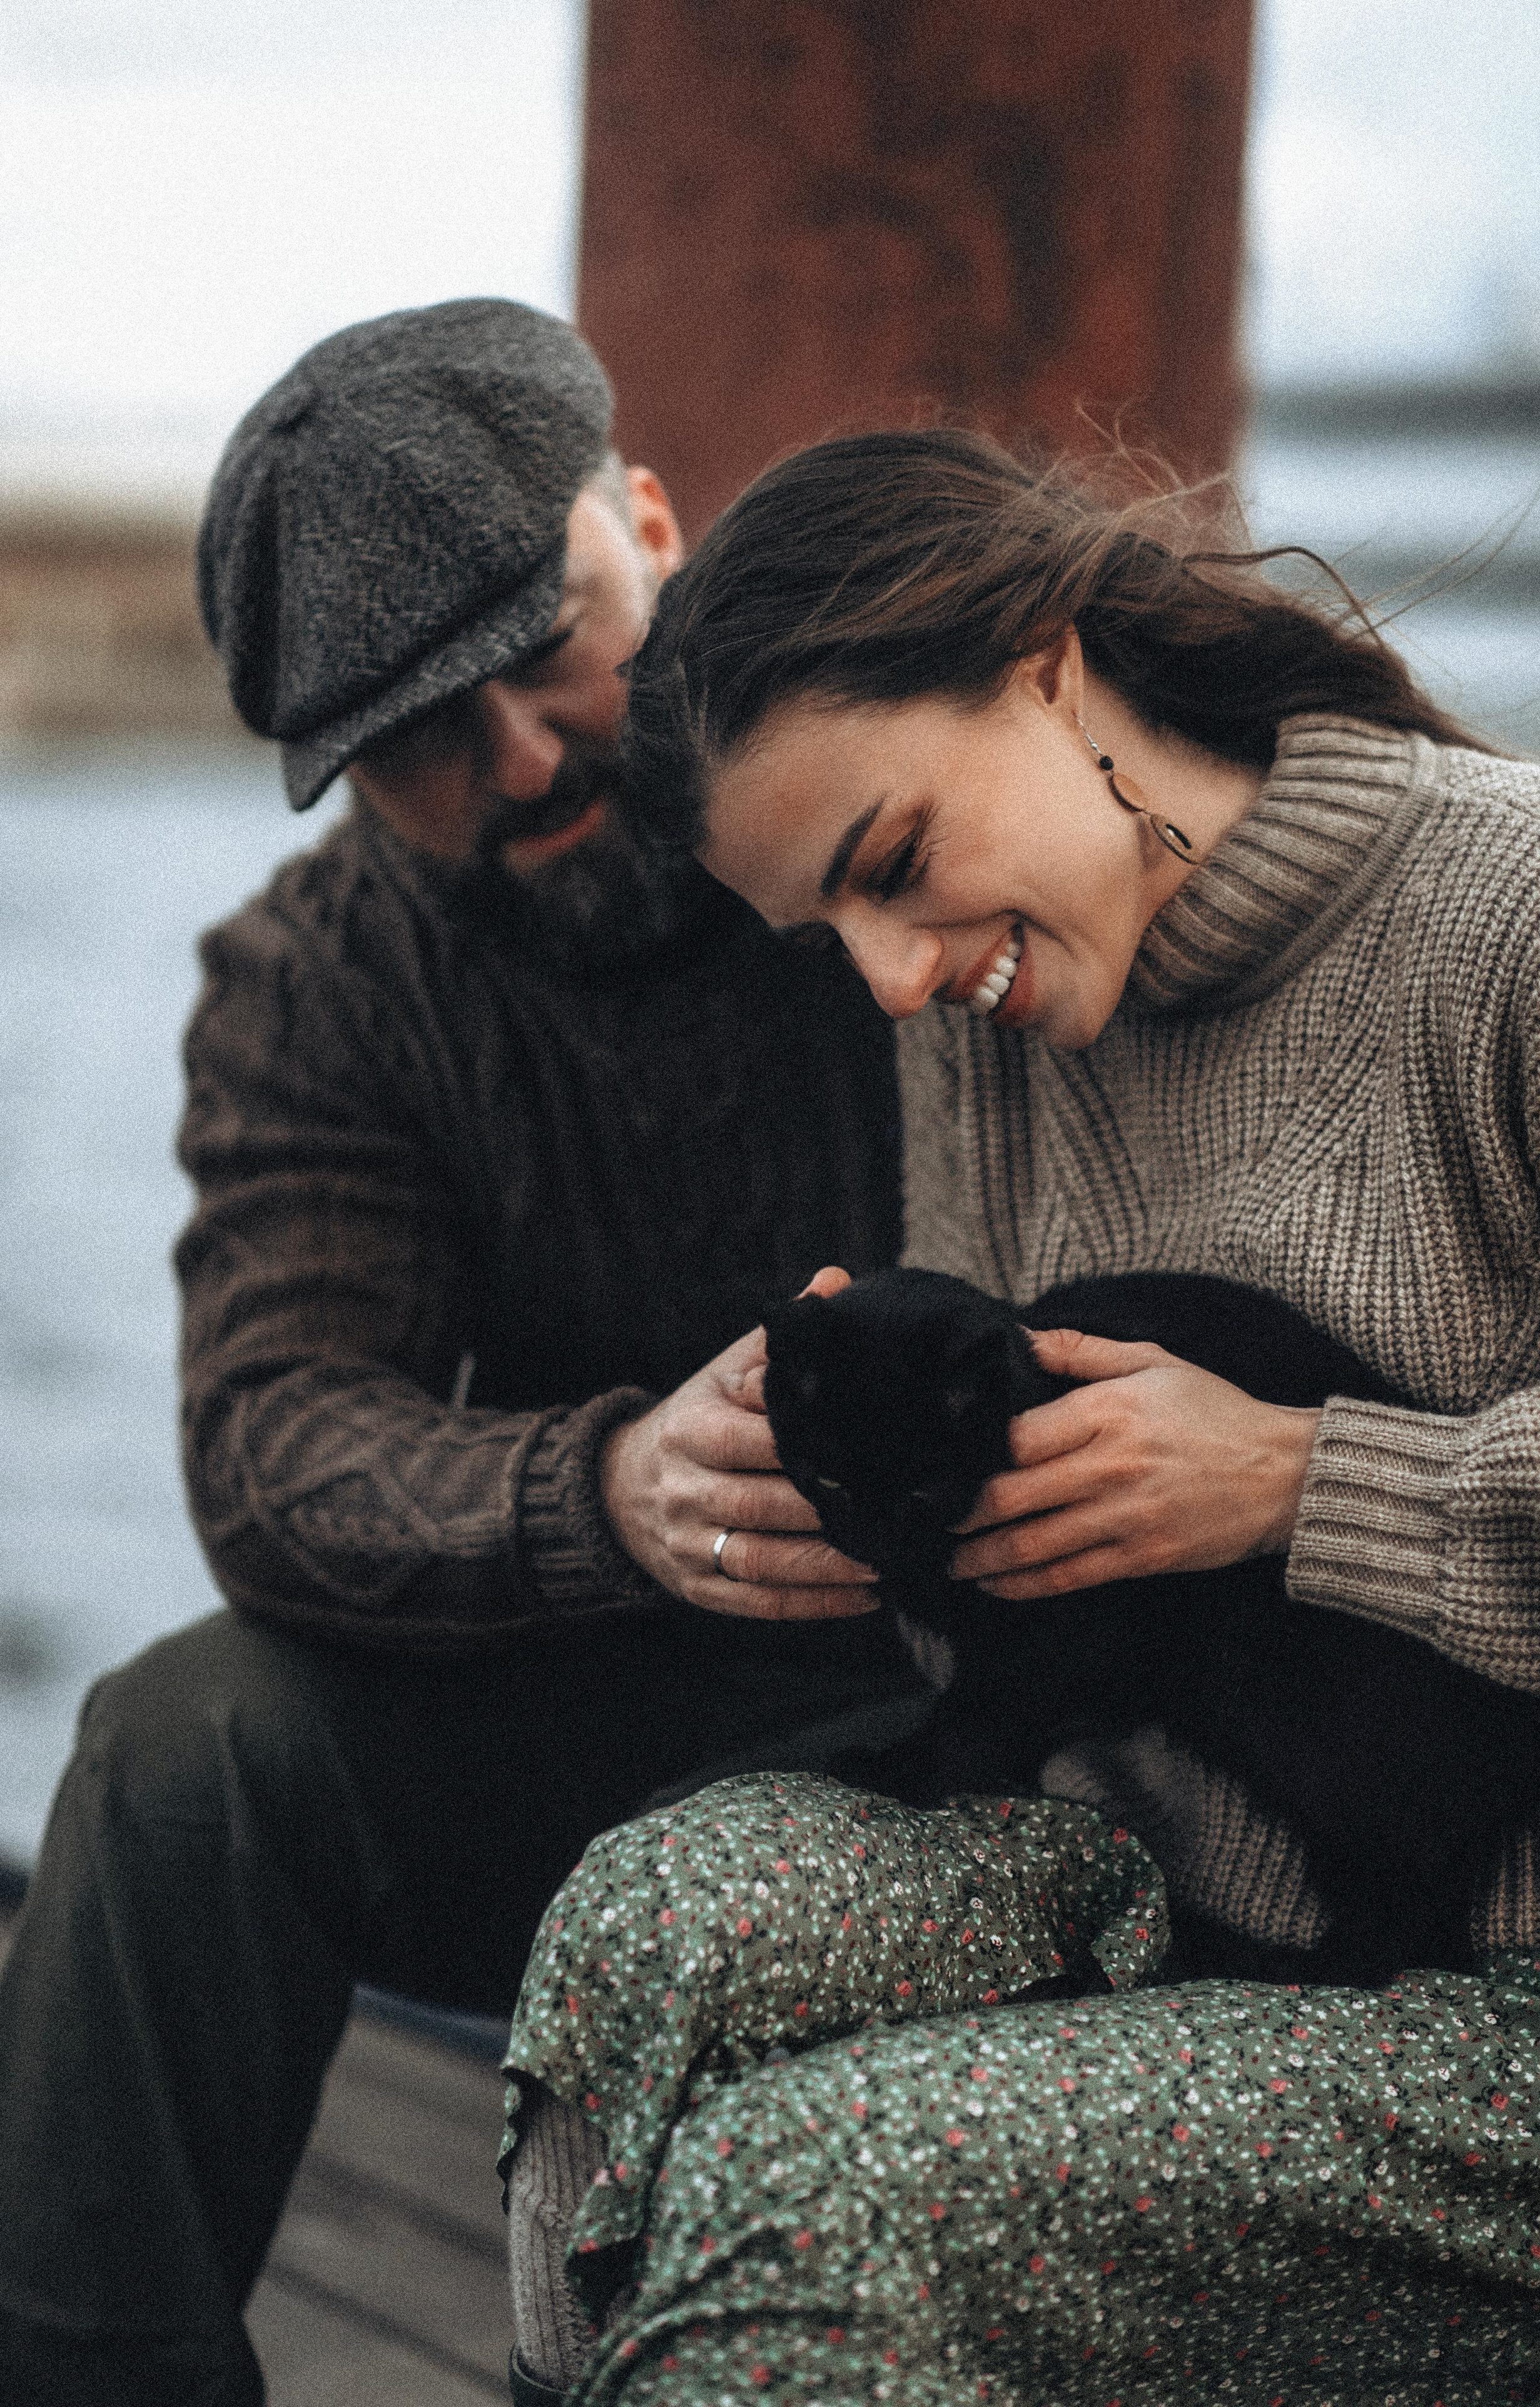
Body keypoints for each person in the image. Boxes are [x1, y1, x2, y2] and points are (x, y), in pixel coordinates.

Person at [523, 424, 1540, 2401]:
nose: (894, 977)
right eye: (826, 938)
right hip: (1144, 1876)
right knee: (638, 1928)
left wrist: (1300, 1481)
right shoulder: (992, 1016)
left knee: (822, 2193)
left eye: (893, 868)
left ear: (1048, 661)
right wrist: (854, 1485)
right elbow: (1029, 1635)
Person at [0, 304, 925, 2407]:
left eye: (551, 649)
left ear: (659, 528)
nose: (521, 762)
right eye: (420, 733)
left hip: (1019, 1684)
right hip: (604, 1715)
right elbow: (277, 1445)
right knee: (180, 1749)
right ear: (326, 764)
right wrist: (611, 1495)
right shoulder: (314, 989)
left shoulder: (919, 794)